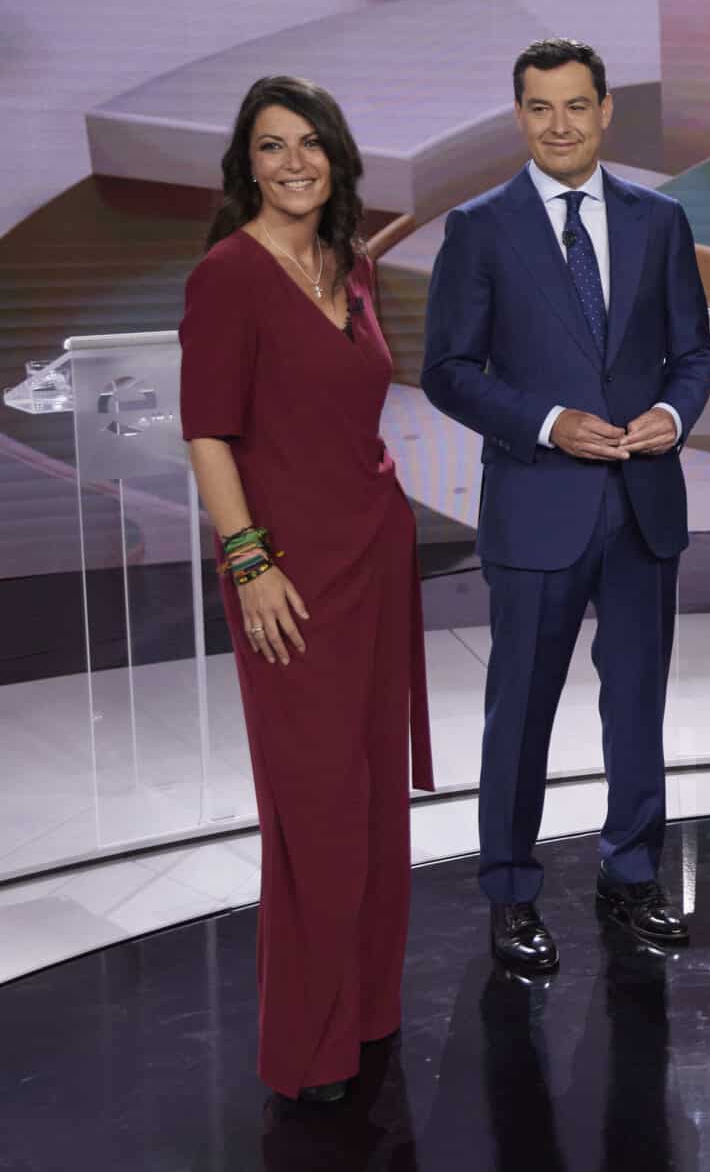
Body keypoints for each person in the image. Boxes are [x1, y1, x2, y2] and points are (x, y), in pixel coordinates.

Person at [422, 38, 710, 967]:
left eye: (577, 106)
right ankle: (511, 890)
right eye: (541, 108)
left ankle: (631, 874)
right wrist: (549, 421)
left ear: (604, 112)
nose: (560, 124)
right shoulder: (478, 228)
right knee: (523, 710)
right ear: (520, 115)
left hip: (641, 502)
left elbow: (695, 351)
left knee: (636, 705)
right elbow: (448, 372)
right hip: (537, 507)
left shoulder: (658, 220)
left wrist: (674, 411)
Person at [180, 74, 434, 1103]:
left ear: (336, 155)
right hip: (288, 575)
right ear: (246, 163)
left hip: (374, 554)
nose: (293, 161)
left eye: (310, 143)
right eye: (272, 146)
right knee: (316, 806)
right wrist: (248, 563)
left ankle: (368, 1011)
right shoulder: (227, 276)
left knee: (372, 800)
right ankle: (310, 1043)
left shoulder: (348, 267)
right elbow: (208, 431)